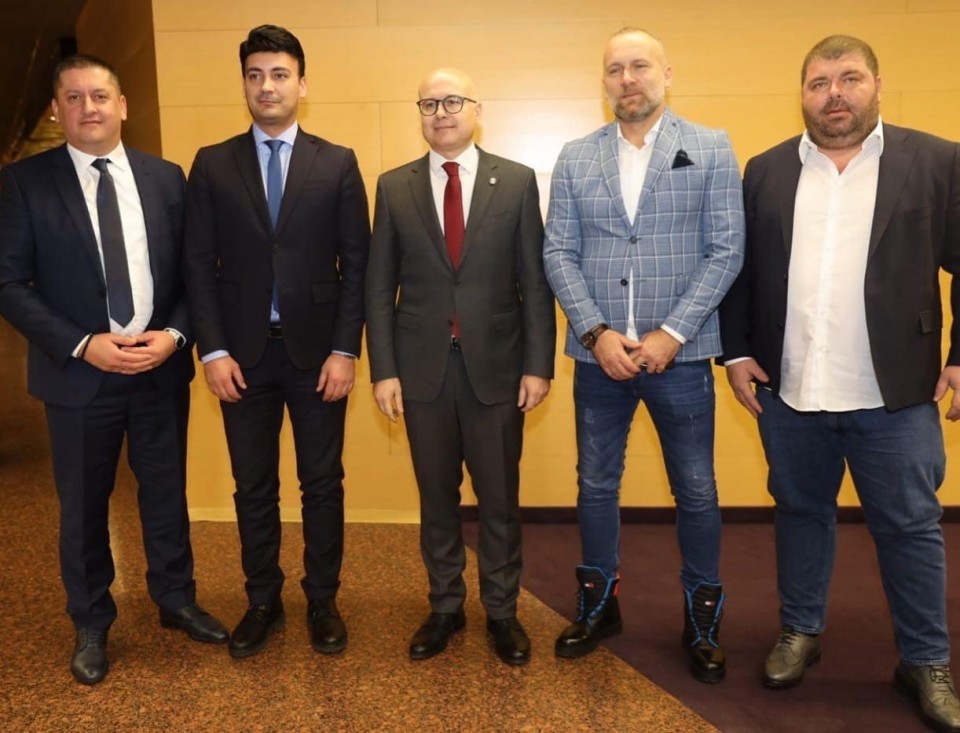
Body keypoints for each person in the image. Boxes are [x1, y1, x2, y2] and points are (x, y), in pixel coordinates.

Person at [719, 34, 960, 731]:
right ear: (802, 94)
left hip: (897, 395)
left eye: (849, 78)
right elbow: (741, 272)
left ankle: (926, 661)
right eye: (819, 82)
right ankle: (800, 631)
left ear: (877, 85)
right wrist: (736, 353)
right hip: (792, 391)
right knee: (800, 514)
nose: (835, 94)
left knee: (910, 529)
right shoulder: (766, 170)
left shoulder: (937, 161)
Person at [0, 55, 228, 685]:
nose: (89, 107)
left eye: (99, 95)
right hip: (78, 376)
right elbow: (8, 283)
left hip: (158, 369)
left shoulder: (166, 178)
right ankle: (91, 619)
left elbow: (194, 273)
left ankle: (176, 599)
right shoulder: (24, 183)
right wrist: (81, 344)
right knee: (83, 505)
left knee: (166, 492)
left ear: (122, 105)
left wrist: (175, 337)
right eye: (73, 98)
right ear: (56, 110)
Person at [542, 28, 744, 683]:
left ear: (666, 74)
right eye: (614, 69)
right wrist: (596, 332)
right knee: (595, 485)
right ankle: (599, 604)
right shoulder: (576, 156)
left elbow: (726, 250)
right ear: (603, 81)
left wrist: (672, 333)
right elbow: (557, 252)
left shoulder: (710, 146)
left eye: (639, 66)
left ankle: (702, 619)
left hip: (680, 359)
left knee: (697, 489)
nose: (627, 79)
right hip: (598, 360)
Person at [183, 25, 370, 659]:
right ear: (244, 84)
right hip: (240, 357)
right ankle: (262, 599)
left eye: (280, 74)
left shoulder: (337, 162)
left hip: (319, 357)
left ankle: (322, 600)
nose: (267, 86)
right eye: (256, 74)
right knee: (253, 486)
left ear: (302, 84)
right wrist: (212, 351)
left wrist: (345, 350)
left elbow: (357, 265)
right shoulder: (212, 163)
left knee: (322, 483)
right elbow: (197, 265)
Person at [365, 68, 556, 666]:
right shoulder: (394, 187)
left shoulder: (516, 181)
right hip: (421, 373)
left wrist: (538, 365)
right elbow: (378, 288)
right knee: (436, 499)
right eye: (428, 104)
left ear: (476, 109)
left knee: (499, 499)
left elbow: (535, 282)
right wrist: (383, 370)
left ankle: (502, 610)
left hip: (497, 370)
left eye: (452, 101)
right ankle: (445, 606)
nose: (441, 113)